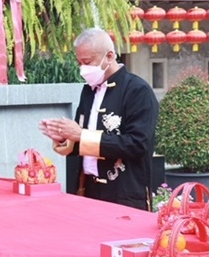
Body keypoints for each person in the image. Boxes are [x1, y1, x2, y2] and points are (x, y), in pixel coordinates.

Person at [39, 27, 159, 210]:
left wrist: (81, 135)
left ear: (109, 56)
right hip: (87, 188)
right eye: (79, 63)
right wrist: (65, 137)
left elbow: (137, 144)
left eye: (87, 62)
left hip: (124, 192)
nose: (83, 69)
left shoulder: (137, 91)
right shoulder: (89, 90)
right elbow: (85, 143)